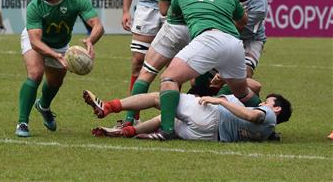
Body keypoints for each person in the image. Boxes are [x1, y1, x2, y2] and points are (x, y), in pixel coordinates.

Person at [140, 0, 262, 140]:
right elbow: (243, 20)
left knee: (169, 78)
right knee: (242, 91)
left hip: (209, 39)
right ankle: (267, 119)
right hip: (234, 43)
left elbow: (172, 18)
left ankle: (166, 130)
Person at [122, 0, 231, 126]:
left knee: (146, 72)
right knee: (209, 75)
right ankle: (207, 117)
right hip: (202, 28)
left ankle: (129, 120)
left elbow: (163, 10)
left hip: (175, 26)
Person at [15, 0, 105, 137]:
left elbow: (97, 26)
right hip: (36, 41)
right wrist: (55, 55)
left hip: (61, 44)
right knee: (35, 73)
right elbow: (35, 41)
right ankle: (22, 122)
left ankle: (44, 106)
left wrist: (90, 40)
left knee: (55, 82)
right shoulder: (36, 6)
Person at [82, 89, 292, 142]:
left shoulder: (267, 115)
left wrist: (221, 100)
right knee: (166, 120)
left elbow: (251, 116)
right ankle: (127, 132)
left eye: (267, 102)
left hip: (212, 116)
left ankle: (107, 107)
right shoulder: (267, 133)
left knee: (162, 98)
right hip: (208, 136)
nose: (262, 103)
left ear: (276, 109)